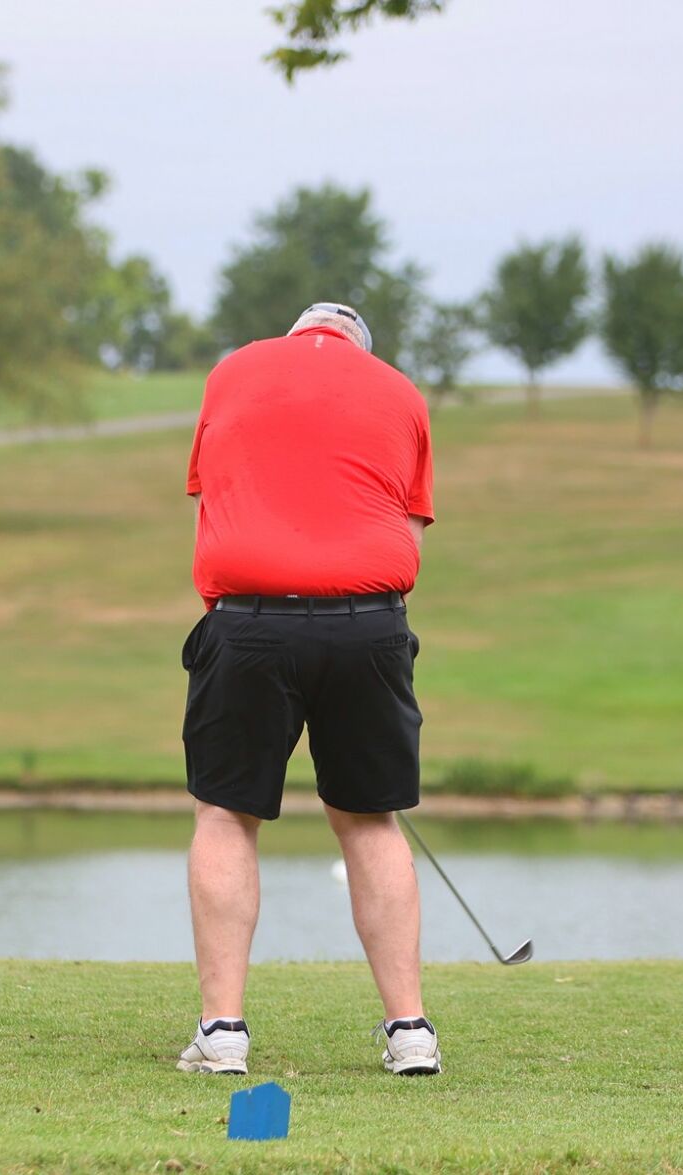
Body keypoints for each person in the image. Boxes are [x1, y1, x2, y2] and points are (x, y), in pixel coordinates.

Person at [174, 302, 440, 1077]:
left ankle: (222, 1032)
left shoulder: (231, 374)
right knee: (368, 821)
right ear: (359, 345)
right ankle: (410, 1033)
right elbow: (409, 533)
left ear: (295, 335)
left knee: (226, 812)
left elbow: (211, 502)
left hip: (249, 621)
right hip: (367, 625)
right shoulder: (399, 392)